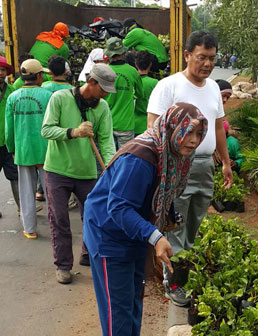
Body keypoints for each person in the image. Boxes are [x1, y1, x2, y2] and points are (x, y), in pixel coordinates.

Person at [84, 102, 207, 336]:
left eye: (199, 133)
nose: (193, 139)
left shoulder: (171, 153)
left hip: (134, 234)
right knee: (117, 314)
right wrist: (155, 236)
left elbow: (159, 194)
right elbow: (119, 208)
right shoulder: (141, 157)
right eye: (188, 130)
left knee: (133, 303)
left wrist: (167, 219)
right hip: (109, 236)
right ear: (172, 127)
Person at [147, 30, 233, 306]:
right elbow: (154, 128)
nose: (207, 64)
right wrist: (164, 168)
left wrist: (226, 163)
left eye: (212, 58)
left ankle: (184, 270)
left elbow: (218, 126)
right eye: (201, 57)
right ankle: (173, 282)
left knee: (195, 222)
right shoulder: (168, 86)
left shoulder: (212, 90)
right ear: (187, 55)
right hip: (177, 166)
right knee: (175, 222)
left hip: (204, 166)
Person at [41, 63, 117, 284]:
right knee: (60, 220)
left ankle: (88, 254)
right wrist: (74, 132)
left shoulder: (102, 108)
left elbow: (106, 140)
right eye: (102, 89)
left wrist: (110, 167)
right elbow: (46, 129)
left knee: (93, 218)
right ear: (90, 82)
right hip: (57, 170)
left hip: (86, 173)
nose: (105, 95)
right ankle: (63, 265)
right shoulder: (60, 99)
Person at [5, 59, 52, 239]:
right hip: (45, 150)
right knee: (50, 191)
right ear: (39, 76)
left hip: (23, 150)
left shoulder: (13, 97)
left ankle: (30, 229)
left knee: (26, 192)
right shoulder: (47, 96)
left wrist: (12, 149)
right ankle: (55, 224)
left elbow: (9, 129)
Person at [103, 37, 144, 149]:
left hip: (107, 124)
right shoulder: (132, 71)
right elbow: (140, 94)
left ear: (110, 54)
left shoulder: (104, 71)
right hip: (125, 125)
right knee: (124, 159)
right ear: (123, 53)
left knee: (108, 159)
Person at [0, 56, 20, 218]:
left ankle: (22, 208)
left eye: (3, 70)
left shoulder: (13, 92)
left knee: (14, 175)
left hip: (8, 142)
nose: (0, 73)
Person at [134, 51, 158, 136]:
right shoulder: (155, 83)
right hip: (149, 125)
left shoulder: (132, 81)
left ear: (136, 64)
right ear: (150, 64)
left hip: (132, 125)